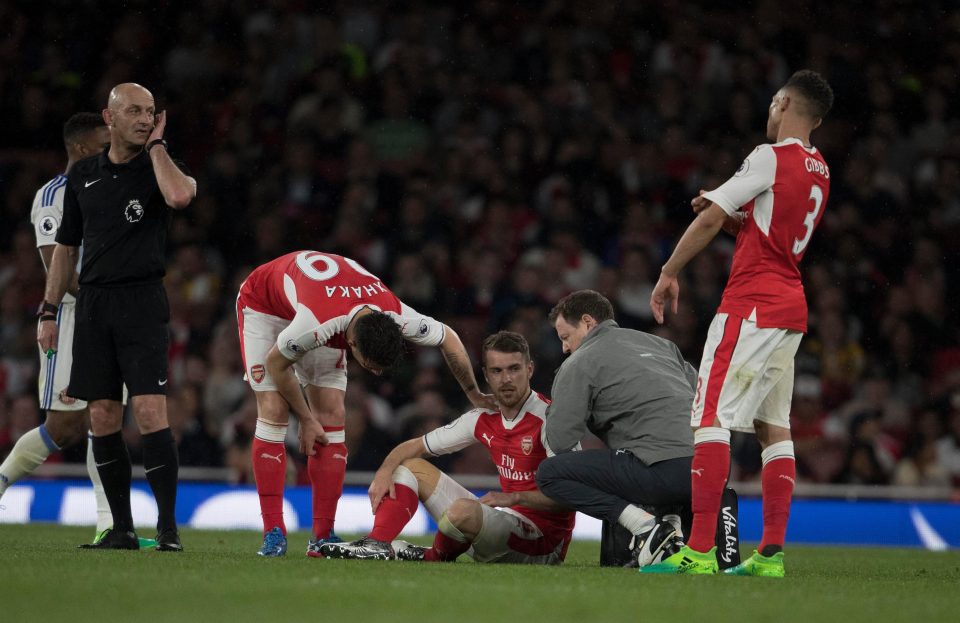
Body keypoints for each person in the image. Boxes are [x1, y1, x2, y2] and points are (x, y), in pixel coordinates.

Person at [642, 70, 834, 576]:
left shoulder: (769, 156)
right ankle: (770, 556)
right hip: (790, 307)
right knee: (775, 429)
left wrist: (668, 272)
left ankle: (700, 551)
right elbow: (766, 230)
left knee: (710, 417)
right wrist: (732, 218)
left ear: (784, 102)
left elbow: (706, 219)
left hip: (751, 304)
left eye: (774, 103)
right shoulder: (821, 171)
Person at [236, 250, 496, 557]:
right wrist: (305, 419)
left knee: (332, 412)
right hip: (265, 305)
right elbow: (277, 363)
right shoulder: (317, 323)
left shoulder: (396, 313)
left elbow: (448, 337)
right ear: (353, 344)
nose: (374, 373)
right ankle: (273, 532)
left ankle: (321, 536)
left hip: (326, 305)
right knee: (274, 411)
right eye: (369, 364)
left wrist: (473, 393)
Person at [37, 83, 197, 551]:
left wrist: (159, 148)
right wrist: (48, 310)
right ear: (110, 119)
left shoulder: (159, 167)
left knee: (149, 410)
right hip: (92, 305)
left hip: (141, 301)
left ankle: (167, 531)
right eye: (133, 111)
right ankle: (122, 530)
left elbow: (180, 197)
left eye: (150, 112)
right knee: (102, 415)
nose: (144, 119)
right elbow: (66, 250)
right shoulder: (83, 174)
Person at [0, 113, 157, 547]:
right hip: (73, 317)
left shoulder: (108, 185)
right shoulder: (53, 196)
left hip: (110, 314)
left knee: (102, 417)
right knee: (64, 426)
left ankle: (110, 526)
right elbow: (59, 266)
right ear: (85, 149)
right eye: (106, 141)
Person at [319, 331, 575, 564]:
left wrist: (515, 497)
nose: (506, 379)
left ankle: (431, 557)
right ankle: (376, 543)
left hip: (543, 545)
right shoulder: (482, 418)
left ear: (529, 370)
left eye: (514, 369)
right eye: (497, 371)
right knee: (409, 467)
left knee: (464, 511)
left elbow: (573, 495)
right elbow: (414, 447)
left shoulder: (550, 419)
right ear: (485, 375)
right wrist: (384, 472)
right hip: (502, 525)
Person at [535, 290, 696, 567]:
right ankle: (673, 527)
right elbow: (699, 398)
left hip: (662, 473)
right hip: (709, 468)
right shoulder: (662, 345)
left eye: (565, 337)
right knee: (639, 451)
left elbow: (561, 440)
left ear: (587, 322)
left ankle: (646, 528)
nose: (564, 348)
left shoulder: (579, 361)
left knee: (550, 474)